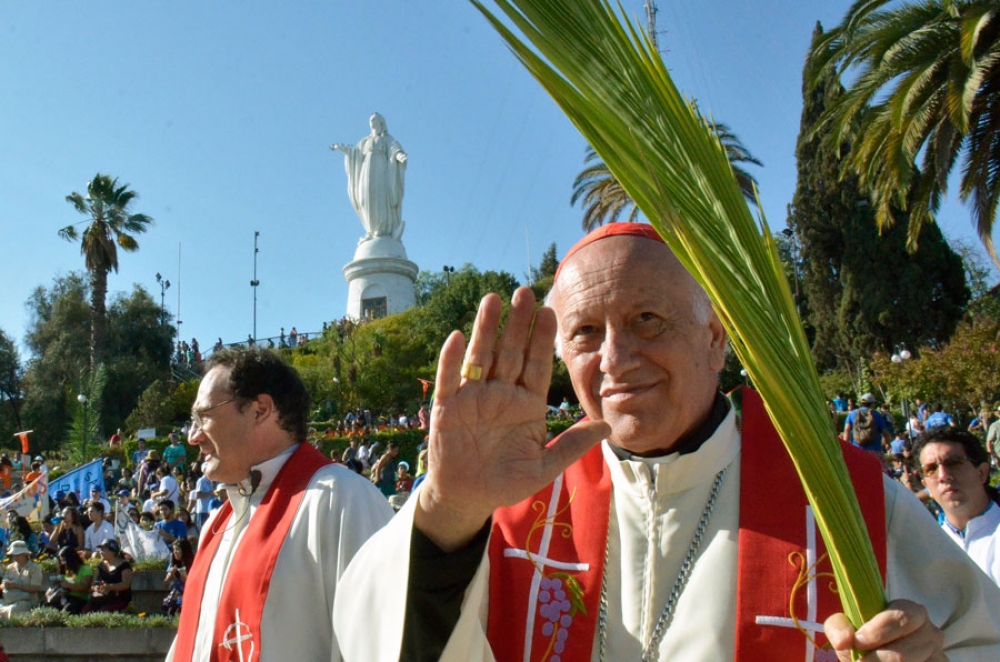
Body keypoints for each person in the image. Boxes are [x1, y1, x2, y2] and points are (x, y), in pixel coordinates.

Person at [334, 224, 1000, 661]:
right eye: (586, 334)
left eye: (646, 319)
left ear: (716, 338)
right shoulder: (511, 505)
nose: (616, 358)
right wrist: (449, 510)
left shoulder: (838, 496)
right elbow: (369, 638)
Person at [167, 346, 393, 662]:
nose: (193, 436)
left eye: (204, 416)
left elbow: (382, 645)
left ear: (260, 410)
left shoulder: (339, 500)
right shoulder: (217, 524)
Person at [915, 427, 1000, 585]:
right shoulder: (926, 551)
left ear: (982, 473)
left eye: (953, 463)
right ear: (926, 486)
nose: (943, 475)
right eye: (931, 469)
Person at [330, 112, 408, 240]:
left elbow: (394, 149)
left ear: (380, 122)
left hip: (381, 168)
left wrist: (400, 156)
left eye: (374, 119)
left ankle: (381, 229)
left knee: (380, 197)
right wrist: (344, 150)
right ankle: (371, 229)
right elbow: (356, 154)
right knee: (365, 198)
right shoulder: (365, 141)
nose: (371, 121)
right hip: (366, 170)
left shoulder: (386, 138)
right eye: (370, 120)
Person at [83, 538, 132, 613]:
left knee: (104, 611)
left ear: (112, 551)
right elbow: (93, 584)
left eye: (103, 549)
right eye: (100, 549)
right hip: (102, 598)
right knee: (86, 610)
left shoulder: (124, 565)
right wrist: (96, 588)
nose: (100, 551)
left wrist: (109, 587)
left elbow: (126, 584)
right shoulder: (100, 566)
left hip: (118, 599)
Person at [46, 545, 95, 614]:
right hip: (66, 596)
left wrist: (68, 585)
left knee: (67, 611)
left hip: (79, 599)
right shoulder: (68, 571)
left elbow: (84, 587)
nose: (63, 563)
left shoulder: (85, 570)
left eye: (63, 560)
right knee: (49, 607)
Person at [0, 541, 42, 619]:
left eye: (18, 555)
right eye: (14, 555)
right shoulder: (10, 567)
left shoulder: (34, 568)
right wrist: (5, 585)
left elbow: (36, 588)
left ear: (25, 555)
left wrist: (18, 587)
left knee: (13, 610)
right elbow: (2, 585)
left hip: (28, 602)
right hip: (9, 600)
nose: (16, 558)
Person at [162, 538, 194, 616]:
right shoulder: (174, 564)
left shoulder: (193, 562)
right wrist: (170, 575)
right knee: (171, 610)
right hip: (178, 594)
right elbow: (165, 584)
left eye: (177, 550)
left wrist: (184, 577)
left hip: (190, 594)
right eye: (174, 550)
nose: (175, 552)